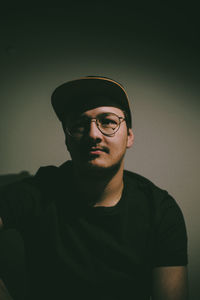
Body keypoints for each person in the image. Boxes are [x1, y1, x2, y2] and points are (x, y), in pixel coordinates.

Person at [0, 76, 188, 300]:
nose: (93, 135)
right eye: (79, 124)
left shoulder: (159, 210)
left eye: (108, 121)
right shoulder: (40, 191)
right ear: (67, 141)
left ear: (129, 136)